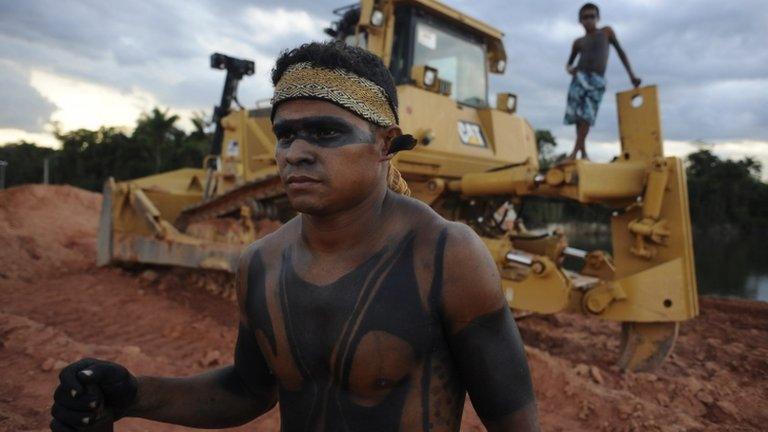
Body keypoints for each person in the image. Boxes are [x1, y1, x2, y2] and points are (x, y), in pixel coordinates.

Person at [50, 41, 539, 432]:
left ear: (384, 144)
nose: (294, 153)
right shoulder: (262, 262)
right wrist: (133, 394)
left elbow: (514, 422)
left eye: (325, 133)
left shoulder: (445, 257)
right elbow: (247, 389)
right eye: (286, 135)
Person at [564, 3, 642, 160]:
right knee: (578, 117)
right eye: (585, 17)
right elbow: (569, 63)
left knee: (588, 114)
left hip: (597, 79)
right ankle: (583, 152)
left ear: (598, 18)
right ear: (580, 20)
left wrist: (632, 75)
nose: (589, 20)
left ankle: (574, 152)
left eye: (592, 16)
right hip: (579, 78)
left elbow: (621, 53)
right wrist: (569, 69)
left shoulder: (606, 32)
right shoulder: (578, 42)